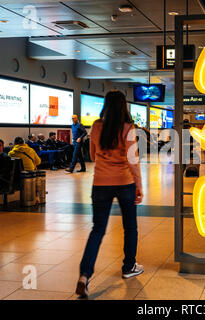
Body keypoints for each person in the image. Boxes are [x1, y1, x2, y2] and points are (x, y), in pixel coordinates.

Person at [76, 91, 143, 298]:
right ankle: (129, 267)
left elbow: (93, 155)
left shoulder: (96, 126)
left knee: (98, 229)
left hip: (101, 184)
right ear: (124, 106)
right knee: (130, 227)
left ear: (105, 105)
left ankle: (84, 276)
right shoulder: (128, 127)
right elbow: (133, 160)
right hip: (125, 183)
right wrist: (139, 186)